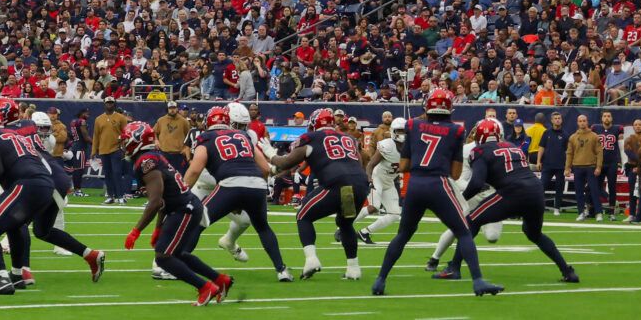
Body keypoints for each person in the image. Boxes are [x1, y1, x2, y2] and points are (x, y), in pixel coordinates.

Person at [368, 88, 502, 297]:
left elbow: (403, 165)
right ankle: (477, 281)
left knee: (403, 234)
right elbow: (456, 173)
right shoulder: (456, 131)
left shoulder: (412, 125)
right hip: (439, 183)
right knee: (464, 232)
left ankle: (380, 280)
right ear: (450, 107)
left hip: (416, 184)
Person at [0, 100, 105, 295]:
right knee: (18, 226)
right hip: (46, 183)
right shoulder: (15, 133)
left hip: (28, 183)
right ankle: (18, 275)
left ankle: (2, 279)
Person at [425, 118, 578, 285]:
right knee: (534, 233)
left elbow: (476, 184)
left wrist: (460, 199)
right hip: (535, 191)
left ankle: (454, 267)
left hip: (512, 192)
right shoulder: (512, 146)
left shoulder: (480, 151)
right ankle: (567, 271)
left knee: (470, 222)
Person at [121, 120, 231, 305]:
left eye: (126, 139)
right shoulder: (150, 157)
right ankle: (221, 280)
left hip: (184, 209)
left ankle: (205, 287)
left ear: (137, 140)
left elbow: (155, 201)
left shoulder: (146, 161)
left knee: (163, 257)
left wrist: (136, 230)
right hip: (183, 207)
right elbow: (163, 199)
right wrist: (157, 229)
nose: (124, 143)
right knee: (177, 254)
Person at [180, 104, 288, 282]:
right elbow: (264, 168)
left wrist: (182, 193)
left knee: (197, 222)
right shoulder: (244, 136)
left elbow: (194, 171)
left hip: (228, 184)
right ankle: (282, 270)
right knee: (262, 227)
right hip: (255, 185)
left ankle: (178, 262)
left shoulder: (205, 137)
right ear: (228, 122)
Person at [269, 106, 370, 281]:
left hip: (337, 183)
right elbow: (361, 161)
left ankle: (311, 259)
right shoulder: (349, 138)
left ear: (314, 124)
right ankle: (354, 269)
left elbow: (286, 163)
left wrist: (270, 154)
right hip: (359, 182)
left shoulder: (311, 137)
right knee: (345, 224)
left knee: (303, 215)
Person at [567, 113, 603, 220]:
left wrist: (598, 167)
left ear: (587, 122)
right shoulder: (573, 137)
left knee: (594, 190)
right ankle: (581, 212)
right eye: (580, 121)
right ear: (577, 123)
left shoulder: (594, 136)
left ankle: (598, 213)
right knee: (578, 191)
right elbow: (569, 153)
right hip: (577, 167)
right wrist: (567, 168)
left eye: (584, 121)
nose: (582, 123)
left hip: (590, 167)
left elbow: (599, 153)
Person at [93, 100, 128, 204]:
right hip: (103, 149)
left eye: (111, 103)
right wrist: (94, 150)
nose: (109, 104)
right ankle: (111, 196)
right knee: (107, 174)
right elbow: (96, 136)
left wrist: (124, 148)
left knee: (117, 173)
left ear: (114, 104)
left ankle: (120, 196)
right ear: (104, 104)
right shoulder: (98, 119)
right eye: (108, 103)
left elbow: (126, 133)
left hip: (116, 149)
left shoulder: (121, 118)